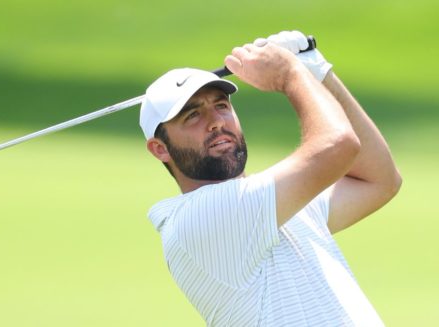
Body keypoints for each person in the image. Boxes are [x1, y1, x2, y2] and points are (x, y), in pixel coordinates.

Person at [139, 31, 402, 326]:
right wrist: (291, 74)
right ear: (160, 149)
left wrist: (317, 72)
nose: (215, 122)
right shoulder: (202, 218)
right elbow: (338, 145)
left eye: (221, 105)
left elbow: (378, 180)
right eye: (192, 116)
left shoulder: (269, 203)